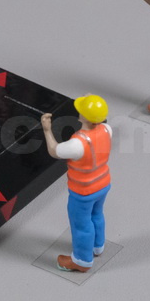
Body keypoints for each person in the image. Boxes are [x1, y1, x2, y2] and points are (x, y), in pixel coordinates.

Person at [40, 95, 112, 272]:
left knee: (81, 224)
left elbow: (54, 150)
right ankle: (97, 246)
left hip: (83, 192)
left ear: (84, 116)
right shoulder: (107, 129)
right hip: (103, 184)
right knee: (97, 214)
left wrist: (47, 130)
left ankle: (81, 260)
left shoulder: (77, 144)